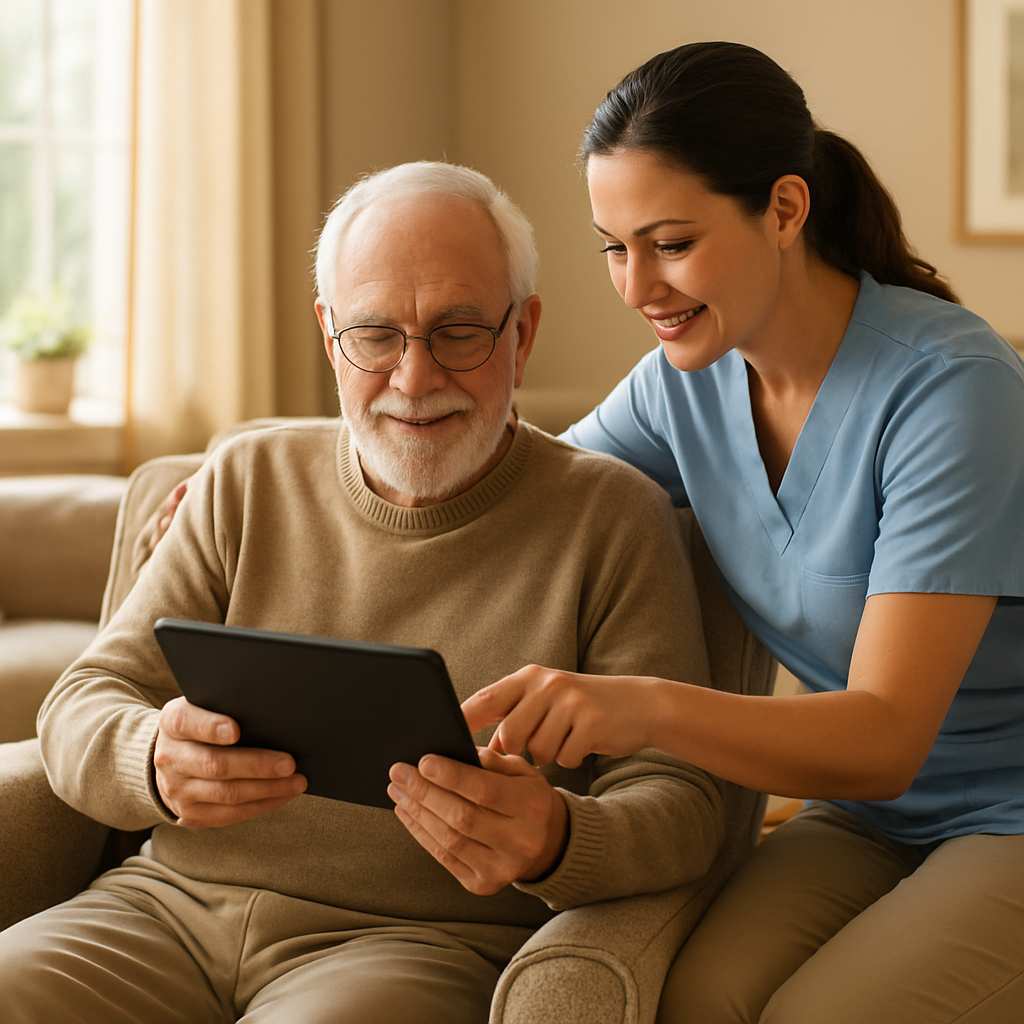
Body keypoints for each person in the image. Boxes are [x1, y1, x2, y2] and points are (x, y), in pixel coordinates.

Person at [0, 162, 726, 1023]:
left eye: (459, 331)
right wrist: (150, 758)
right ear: (328, 334)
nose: (414, 379)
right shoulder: (244, 479)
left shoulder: (613, 519)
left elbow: (684, 804)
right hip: (157, 913)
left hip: (411, 945)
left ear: (523, 334)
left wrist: (556, 838)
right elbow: (84, 699)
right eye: (376, 334)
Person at [462, 42, 1024, 1023]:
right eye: (612, 245)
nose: (637, 287)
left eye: (670, 243)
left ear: (785, 210)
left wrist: (638, 708)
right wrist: (265, 481)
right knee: (694, 998)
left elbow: (886, 734)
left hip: (1006, 809)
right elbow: (521, 494)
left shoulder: (951, 390)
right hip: (861, 817)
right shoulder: (684, 388)